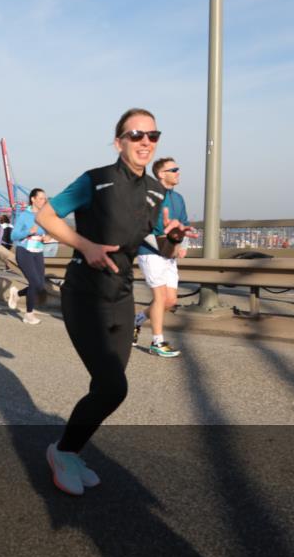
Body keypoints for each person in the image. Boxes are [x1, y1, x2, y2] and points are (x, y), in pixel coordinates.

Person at [36, 108, 194, 496]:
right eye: (135, 134)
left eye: (152, 135)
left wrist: (172, 238)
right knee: (112, 387)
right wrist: (84, 244)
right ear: (118, 141)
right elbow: (46, 215)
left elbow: (163, 249)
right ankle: (62, 452)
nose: (145, 142)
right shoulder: (96, 180)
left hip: (121, 294)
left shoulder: (158, 192)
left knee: (106, 385)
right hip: (85, 295)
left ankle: (69, 451)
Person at [132, 158, 189, 357]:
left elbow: (184, 224)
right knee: (159, 297)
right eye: (173, 169)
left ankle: (137, 321)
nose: (178, 172)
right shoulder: (149, 196)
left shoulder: (179, 198)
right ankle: (157, 341)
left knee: (170, 301)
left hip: (169, 254)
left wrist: (182, 243)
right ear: (161, 174)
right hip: (150, 252)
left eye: (178, 168)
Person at [8, 188, 50, 325]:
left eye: (45, 198)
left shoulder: (44, 216)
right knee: (35, 283)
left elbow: (49, 231)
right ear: (33, 199)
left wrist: (47, 237)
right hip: (24, 252)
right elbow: (13, 236)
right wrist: (28, 232)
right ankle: (29, 314)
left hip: (38, 252)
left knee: (40, 286)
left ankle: (16, 294)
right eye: (41, 198)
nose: (44, 201)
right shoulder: (24, 215)